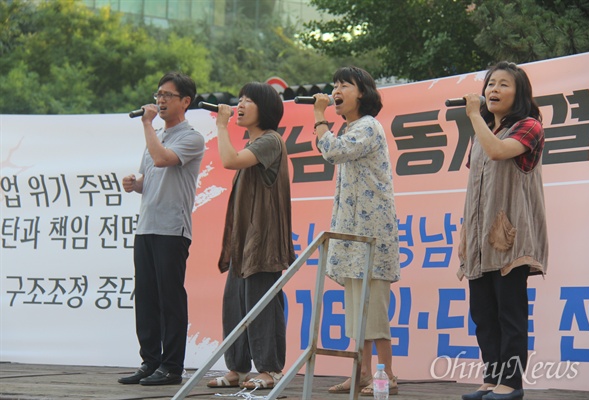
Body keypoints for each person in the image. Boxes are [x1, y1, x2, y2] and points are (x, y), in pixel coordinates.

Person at [458, 61, 548, 400]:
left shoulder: (529, 127)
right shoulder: (482, 130)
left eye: (503, 85)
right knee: (483, 314)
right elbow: (478, 180)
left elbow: (497, 152)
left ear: (519, 92)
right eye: (490, 84)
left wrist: (475, 116)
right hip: (480, 240)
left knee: (509, 312)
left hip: (511, 238)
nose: (493, 90)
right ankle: (491, 378)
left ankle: (511, 384)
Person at [311, 66, 400, 396]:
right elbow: (332, 148)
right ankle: (363, 373)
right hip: (352, 234)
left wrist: (320, 117)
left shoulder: (368, 126)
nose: (336, 90)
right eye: (334, 84)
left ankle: (387, 374)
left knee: (373, 307)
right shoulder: (351, 127)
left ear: (361, 92)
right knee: (356, 308)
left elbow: (332, 151)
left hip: (371, 235)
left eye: (343, 85)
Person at [206, 82, 295, 391]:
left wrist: (221, 125)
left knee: (262, 306)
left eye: (248, 101)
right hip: (244, 243)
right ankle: (238, 369)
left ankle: (270, 370)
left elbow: (229, 160)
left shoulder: (271, 141)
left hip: (263, 242)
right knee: (235, 305)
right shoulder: (255, 145)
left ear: (265, 109)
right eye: (240, 100)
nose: (240, 105)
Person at [118, 72, 205, 386]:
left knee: (170, 299)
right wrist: (135, 183)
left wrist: (146, 125)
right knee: (146, 298)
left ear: (185, 101)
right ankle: (149, 362)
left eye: (168, 95)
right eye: (158, 94)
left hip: (172, 229)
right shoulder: (157, 135)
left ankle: (171, 367)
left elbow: (162, 159)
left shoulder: (191, 137)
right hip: (147, 227)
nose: (160, 100)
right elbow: (150, 175)